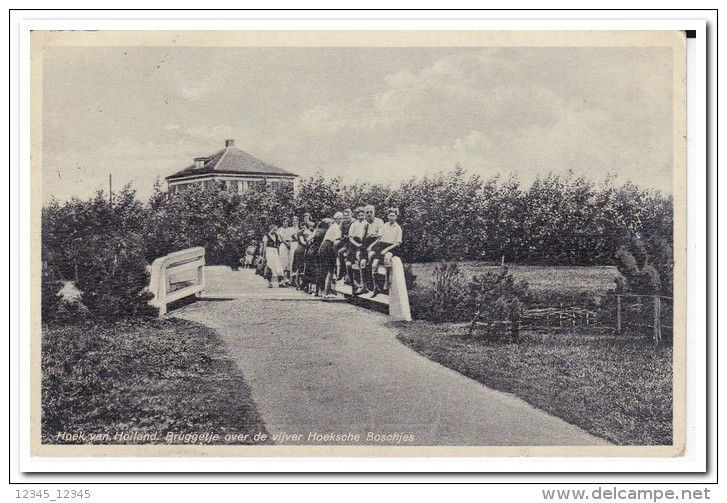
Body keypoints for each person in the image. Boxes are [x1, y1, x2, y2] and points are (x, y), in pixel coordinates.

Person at [367, 207, 403, 296]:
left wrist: (387, 249)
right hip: (382, 245)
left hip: (392, 247)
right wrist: (372, 246)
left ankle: (387, 280)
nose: (391, 217)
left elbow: (398, 243)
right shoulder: (384, 226)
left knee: (387, 258)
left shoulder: (398, 228)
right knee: (374, 264)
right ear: (387, 216)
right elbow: (379, 238)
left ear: (396, 217)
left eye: (393, 216)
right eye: (390, 215)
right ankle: (376, 287)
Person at [355, 204, 385, 295]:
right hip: (367, 242)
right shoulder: (364, 223)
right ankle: (364, 286)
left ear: (374, 212)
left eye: (370, 212)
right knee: (362, 261)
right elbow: (362, 238)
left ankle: (376, 286)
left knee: (371, 255)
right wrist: (365, 230)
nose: (369, 214)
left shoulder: (379, 221)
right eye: (367, 212)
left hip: (377, 242)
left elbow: (380, 237)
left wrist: (371, 246)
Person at [319, 212, 344, 298]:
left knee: (325, 270)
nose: (341, 220)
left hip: (324, 246)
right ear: (336, 219)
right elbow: (336, 242)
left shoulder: (332, 226)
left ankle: (324, 291)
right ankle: (325, 292)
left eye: (342, 218)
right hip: (329, 247)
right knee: (330, 270)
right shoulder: (336, 227)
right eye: (339, 218)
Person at [345, 207, 368, 288]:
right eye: (359, 215)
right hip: (354, 243)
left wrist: (361, 245)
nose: (361, 217)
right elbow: (350, 237)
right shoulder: (354, 224)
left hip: (363, 243)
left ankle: (363, 284)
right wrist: (356, 245)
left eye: (362, 215)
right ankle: (352, 283)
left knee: (360, 260)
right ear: (357, 216)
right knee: (348, 264)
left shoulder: (366, 223)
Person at [262, 224, 286, 288]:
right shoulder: (266, 236)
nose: (275, 231)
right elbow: (264, 247)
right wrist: (264, 256)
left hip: (275, 251)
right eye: (274, 229)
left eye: (276, 230)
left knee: (278, 266)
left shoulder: (276, 235)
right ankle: (270, 283)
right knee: (270, 265)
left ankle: (280, 282)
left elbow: (279, 243)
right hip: (269, 251)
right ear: (271, 228)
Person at [277, 217, 296, 286]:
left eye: (286, 222)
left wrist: (291, 244)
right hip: (283, 246)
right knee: (283, 262)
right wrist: (287, 244)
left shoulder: (290, 229)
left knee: (289, 262)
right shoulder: (280, 230)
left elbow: (293, 237)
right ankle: (281, 280)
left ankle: (287, 279)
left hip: (290, 245)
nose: (285, 223)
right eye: (284, 222)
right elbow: (281, 239)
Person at [336, 208, 354, 281]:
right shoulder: (343, 223)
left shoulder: (354, 222)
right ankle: (341, 270)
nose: (346, 217)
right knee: (336, 247)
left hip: (352, 242)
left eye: (348, 215)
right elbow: (341, 233)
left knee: (341, 252)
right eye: (345, 216)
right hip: (346, 241)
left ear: (351, 215)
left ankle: (342, 270)